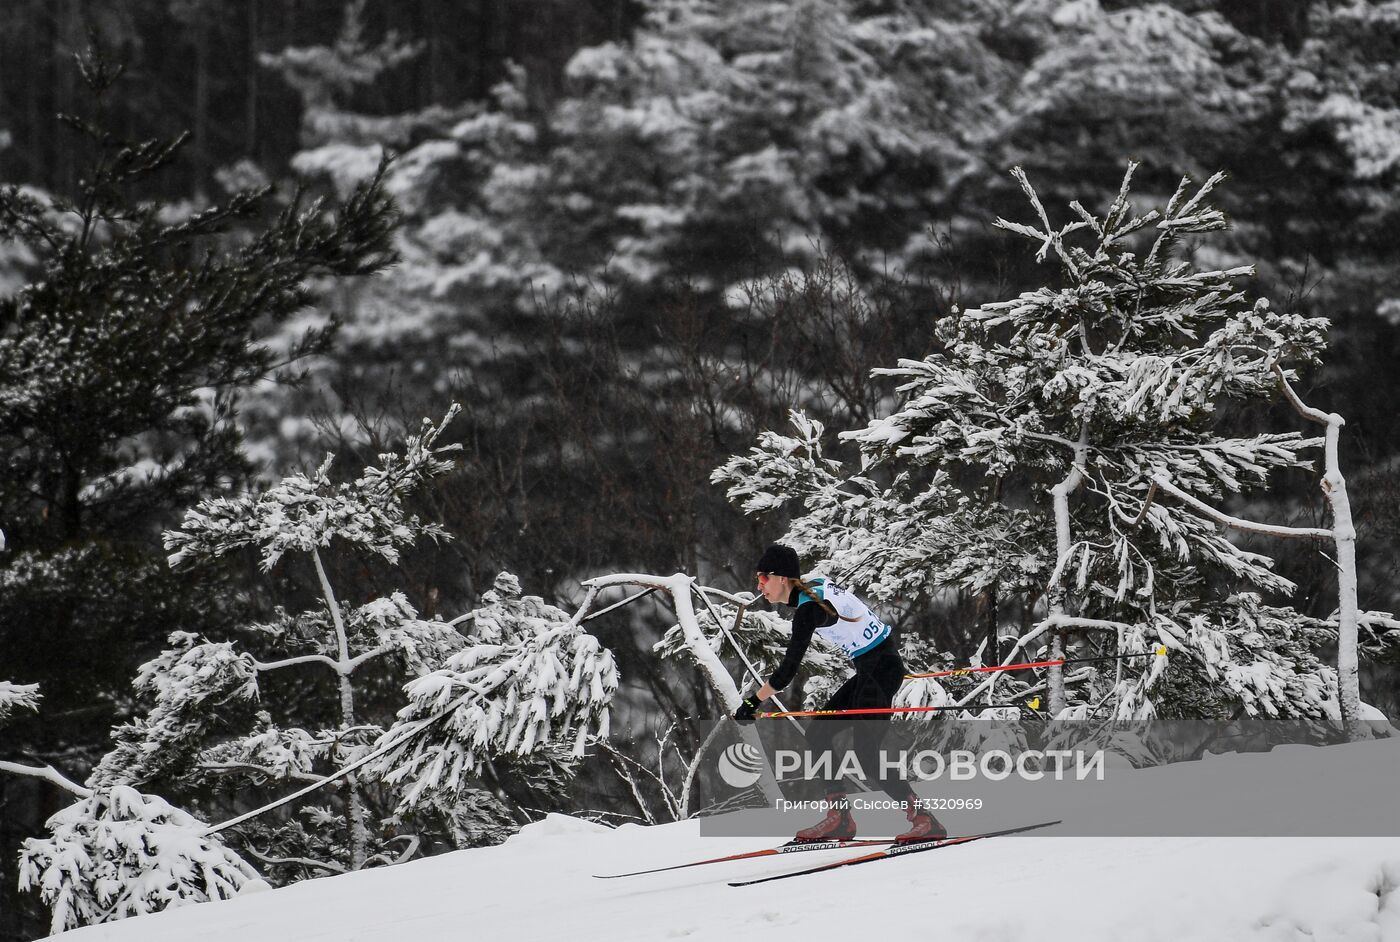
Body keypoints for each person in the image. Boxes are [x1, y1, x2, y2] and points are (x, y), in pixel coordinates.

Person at [733, 543, 945, 844]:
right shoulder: (812, 587)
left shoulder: (808, 609)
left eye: (763, 578)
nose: (759, 585)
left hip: (880, 670)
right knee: (819, 733)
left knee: (866, 754)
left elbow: (788, 669)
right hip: (872, 668)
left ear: (782, 578)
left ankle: (924, 819)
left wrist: (754, 702)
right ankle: (839, 818)